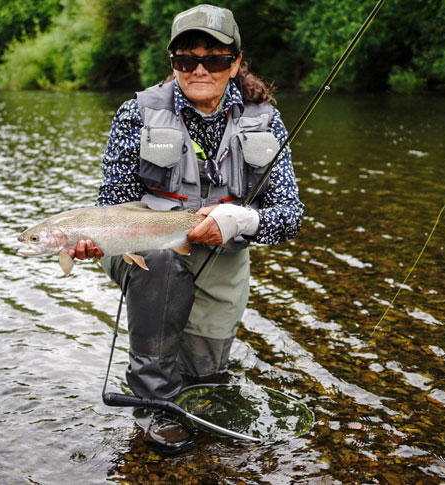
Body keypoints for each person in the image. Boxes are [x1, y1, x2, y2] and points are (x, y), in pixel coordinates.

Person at [70, 4, 304, 454]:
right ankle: (153, 403)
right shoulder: (136, 113)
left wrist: (240, 220)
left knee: (204, 378)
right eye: (186, 59)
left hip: (223, 258)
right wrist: (93, 243)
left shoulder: (266, 119)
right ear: (172, 62)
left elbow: (290, 217)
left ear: (235, 63)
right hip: (142, 251)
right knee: (159, 268)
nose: (200, 69)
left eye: (214, 59)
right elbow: (110, 204)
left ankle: (186, 377)